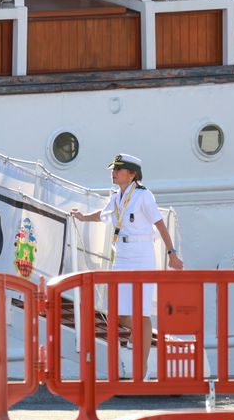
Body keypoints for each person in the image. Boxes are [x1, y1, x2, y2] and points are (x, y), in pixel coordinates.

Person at [69, 153, 183, 376]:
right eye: (113, 169)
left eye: (118, 170)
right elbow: (103, 215)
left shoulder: (143, 196)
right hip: (121, 255)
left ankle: (141, 369)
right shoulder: (115, 196)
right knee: (117, 314)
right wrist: (83, 216)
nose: (113, 173)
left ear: (132, 174)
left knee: (142, 313)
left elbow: (159, 225)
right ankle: (139, 336)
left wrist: (171, 253)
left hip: (141, 255)